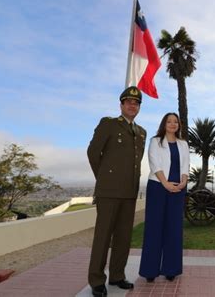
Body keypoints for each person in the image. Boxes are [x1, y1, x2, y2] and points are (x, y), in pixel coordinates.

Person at [87, 86, 146, 297]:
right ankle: (96, 280)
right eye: (128, 101)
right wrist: (104, 179)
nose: (132, 105)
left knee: (123, 237)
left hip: (129, 192)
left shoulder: (141, 132)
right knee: (103, 237)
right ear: (121, 105)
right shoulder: (108, 125)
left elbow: (136, 163)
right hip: (109, 191)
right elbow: (93, 153)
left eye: (136, 102)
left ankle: (117, 275)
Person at [139, 113, 190, 283]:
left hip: (178, 189)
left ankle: (171, 269)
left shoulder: (183, 144)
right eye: (169, 121)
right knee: (154, 228)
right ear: (164, 124)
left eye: (175, 121)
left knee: (174, 229)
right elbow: (154, 163)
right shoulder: (155, 141)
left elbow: (185, 165)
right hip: (158, 187)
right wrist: (165, 183)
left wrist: (183, 181)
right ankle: (150, 271)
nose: (173, 124)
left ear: (179, 125)